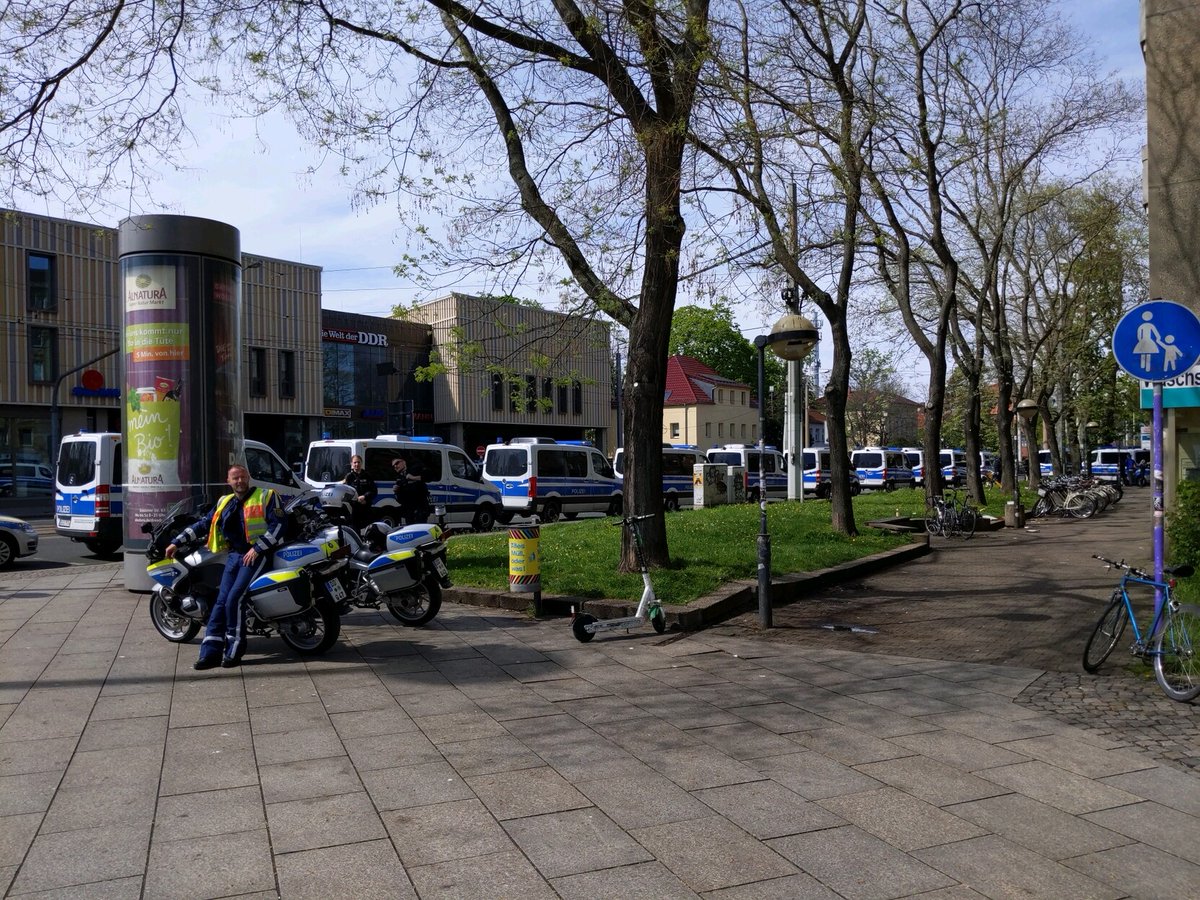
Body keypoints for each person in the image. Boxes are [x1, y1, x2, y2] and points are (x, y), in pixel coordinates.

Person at [165, 464, 285, 670]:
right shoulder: (225, 502)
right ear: (228, 481)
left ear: (248, 478)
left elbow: (280, 524)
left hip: (257, 555)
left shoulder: (267, 496)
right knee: (220, 602)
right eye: (235, 478)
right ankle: (209, 654)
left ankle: (234, 650)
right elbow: (204, 523)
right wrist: (177, 541)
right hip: (234, 556)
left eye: (243, 477)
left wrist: (257, 549)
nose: (240, 481)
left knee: (234, 598)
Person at [391, 454, 431, 525]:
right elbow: (400, 499)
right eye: (393, 466)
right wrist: (396, 492)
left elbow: (429, 476)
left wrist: (414, 478)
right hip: (409, 510)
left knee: (420, 528)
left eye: (397, 463)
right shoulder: (398, 478)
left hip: (420, 507)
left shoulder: (414, 469)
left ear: (404, 462)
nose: (395, 466)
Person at [342, 454, 377, 529]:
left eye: (358, 462)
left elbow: (374, 491)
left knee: (369, 530)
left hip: (366, 508)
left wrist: (365, 497)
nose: (357, 464)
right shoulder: (348, 477)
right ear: (351, 464)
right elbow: (345, 494)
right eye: (355, 462)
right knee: (355, 531)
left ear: (361, 463)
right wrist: (356, 500)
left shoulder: (367, 476)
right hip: (353, 510)